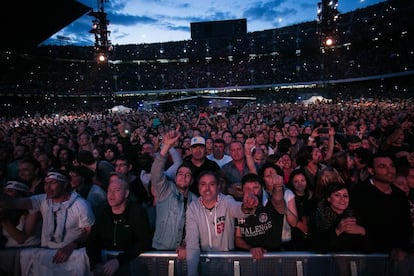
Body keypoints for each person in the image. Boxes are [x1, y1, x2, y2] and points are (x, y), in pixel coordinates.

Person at [0, 170, 95, 275]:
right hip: (46, 257)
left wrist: (73, 245)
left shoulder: (80, 204)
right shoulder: (43, 200)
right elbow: (13, 203)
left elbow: (90, 231)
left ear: (65, 184)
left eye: (53, 183)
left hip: (71, 258)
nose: (48, 187)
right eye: (46, 183)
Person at [185, 171, 258, 276]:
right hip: (204, 264)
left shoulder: (227, 200)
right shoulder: (193, 207)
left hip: (227, 263)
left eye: (212, 184)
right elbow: (192, 243)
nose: (207, 188)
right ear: (198, 187)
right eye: (203, 184)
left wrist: (246, 207)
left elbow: (237, 209)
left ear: (218, 186)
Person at [351, 153, 412, 266]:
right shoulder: (359, 194)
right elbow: (361, 228)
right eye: (382, 167)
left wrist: (401, 247)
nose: (390, 171)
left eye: (391, 166)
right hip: (367, 259)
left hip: (397, 260)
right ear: (371, 170)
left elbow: (405, 227)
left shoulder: (400, 196)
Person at [86, 177, 152, 276]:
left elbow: (143, 242)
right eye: (109, 191)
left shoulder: (137, 212)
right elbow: (93, 239)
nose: (111, 194)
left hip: (131, 263)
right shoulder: (102, 211)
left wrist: (119, 260)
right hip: (105, 264)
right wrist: (95, 264)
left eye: (116, 190)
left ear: (126, 193)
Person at [150, 129, 198, 255]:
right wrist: (166, 146)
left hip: (182, 252)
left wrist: (186, 243)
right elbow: (156, 173)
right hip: (160, 250)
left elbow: (195, 228)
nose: (184, 177)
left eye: (188, 175)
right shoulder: (166, 190)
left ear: (192, 180)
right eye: (180, 174)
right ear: (175, 177)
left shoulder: (195, 200)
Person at [235, 173, 286, 259]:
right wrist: (252, 249)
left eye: (255, 188)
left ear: (262, 188)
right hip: (247, 259)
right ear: (242, 190)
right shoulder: (237, 208)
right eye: (247, 188)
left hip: (274, 257)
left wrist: (278, 186)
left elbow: (278, 201)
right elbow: (238, 239)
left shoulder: (271, 204)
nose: (251, 192)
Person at [309, 182, 367, 252]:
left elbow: (369, 249)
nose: (342, 199)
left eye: (345, 196)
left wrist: (363, 231)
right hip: (325, 261)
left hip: (350, 261)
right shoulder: (318, 215)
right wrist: (337, 231)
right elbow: (318, 248)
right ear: (329, 198)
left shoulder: (355, 215)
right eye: (337, 195)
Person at [0, 181, 41, 276]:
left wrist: (3, 220)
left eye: (10, 191)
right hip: (9, 254)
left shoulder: (34, 210)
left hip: (28, 254)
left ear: (20, 194)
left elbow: (21, 238)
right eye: (4, 191)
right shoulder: (8, 211)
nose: (6, 195)